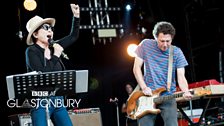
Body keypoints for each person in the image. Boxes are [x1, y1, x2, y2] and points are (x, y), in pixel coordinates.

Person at [25, 3, 80, 126]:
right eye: (45, 28)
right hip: (40, 101)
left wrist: (76, 16)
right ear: (35, 34)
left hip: (58, 100)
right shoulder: (32, 51)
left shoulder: (54, 46)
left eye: (50, 28)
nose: (50, 30)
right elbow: (43, 73)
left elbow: (73, 36)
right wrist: (56, 55)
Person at [132, 21, 193, 126]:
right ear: (155, 37)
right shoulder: (145, 45)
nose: (165, 45)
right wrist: (144, 87)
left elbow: (181, 77)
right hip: (147, 96)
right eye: (162, 41)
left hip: (168, 96)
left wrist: (186, 91)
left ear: (172, 38)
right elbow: (136, 68)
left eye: (168, 41)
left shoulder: (177, 52)